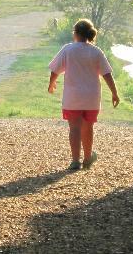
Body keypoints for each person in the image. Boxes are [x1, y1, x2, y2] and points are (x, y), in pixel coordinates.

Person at [48, 19, 120, 170]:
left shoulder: (68, 49)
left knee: (74, 129)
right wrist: (114, 93)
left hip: (73, 97)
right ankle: (87, 158)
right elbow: (107, 74)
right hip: (91, 98)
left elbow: (55, 70)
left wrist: (51, 84)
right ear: (89, 34)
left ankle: (75, 161)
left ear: (75, 33)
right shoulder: (96, 51)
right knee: (88, 127)